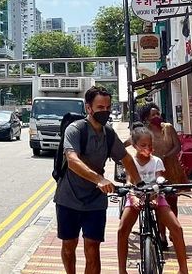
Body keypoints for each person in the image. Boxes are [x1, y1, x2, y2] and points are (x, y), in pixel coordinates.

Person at [54, 86, 140, 274]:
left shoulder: (108, 134)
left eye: (108, 108)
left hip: (95, 201)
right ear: (88, 108)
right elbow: (72, 160)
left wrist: (139, 183)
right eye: (100, 108)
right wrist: (99, 179)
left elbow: (125, 158)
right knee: (69, 246)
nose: (105, 112)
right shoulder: (75, 130)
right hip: (69, 198)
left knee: (93, 249)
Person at [117, 127, 189, 274]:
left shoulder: (157, 161)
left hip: (156, 196)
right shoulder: (131, 162)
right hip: (136, 196)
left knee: (176, 228)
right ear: (134, 145)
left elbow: (159, 180)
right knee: (122, 230)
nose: (147, 148)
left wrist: (155, 196)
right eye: (143, 145)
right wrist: (133, 197)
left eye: (150, 145)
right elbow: (130, 181)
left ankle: (183, 269)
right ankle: (122, 270)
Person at [139, 103, 187, 246]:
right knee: (160, 203)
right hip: (155, 170)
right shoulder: (145, 131)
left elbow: (177, 146)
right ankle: (162, 235)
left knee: (172, 201)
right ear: (147, 118)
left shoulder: (168, 128)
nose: (156, 117)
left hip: (171, 169)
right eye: (153, 115)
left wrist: (166, 156)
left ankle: (173, 230)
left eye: (157, 114)